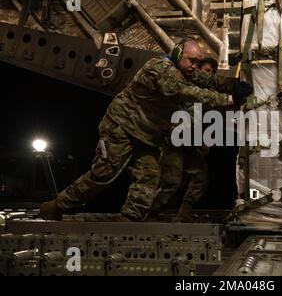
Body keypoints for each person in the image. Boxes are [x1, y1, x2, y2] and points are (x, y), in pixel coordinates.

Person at [39, 40, 252, 222]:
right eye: (192, 61)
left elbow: (206, 79)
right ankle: (57, 206)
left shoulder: (183, 70)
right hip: (121, 128)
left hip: (144, 135)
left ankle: (129, 220)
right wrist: (229, 99)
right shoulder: (160, 69)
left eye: (197, 62)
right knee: (103, 175)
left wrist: (232, 84)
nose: (194, 67)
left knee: (149, 176)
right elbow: (188, 92)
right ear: (177, 54)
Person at [150, 56, 221, 222]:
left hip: (188, 144)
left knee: (200, 177)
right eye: (207, 71)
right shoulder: (185, 86)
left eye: (212, 73)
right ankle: (149, 212)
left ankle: (183, 214)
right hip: (173, 143)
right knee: (172, 184)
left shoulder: (205, 94)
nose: (209, 75)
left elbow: (199, 119)